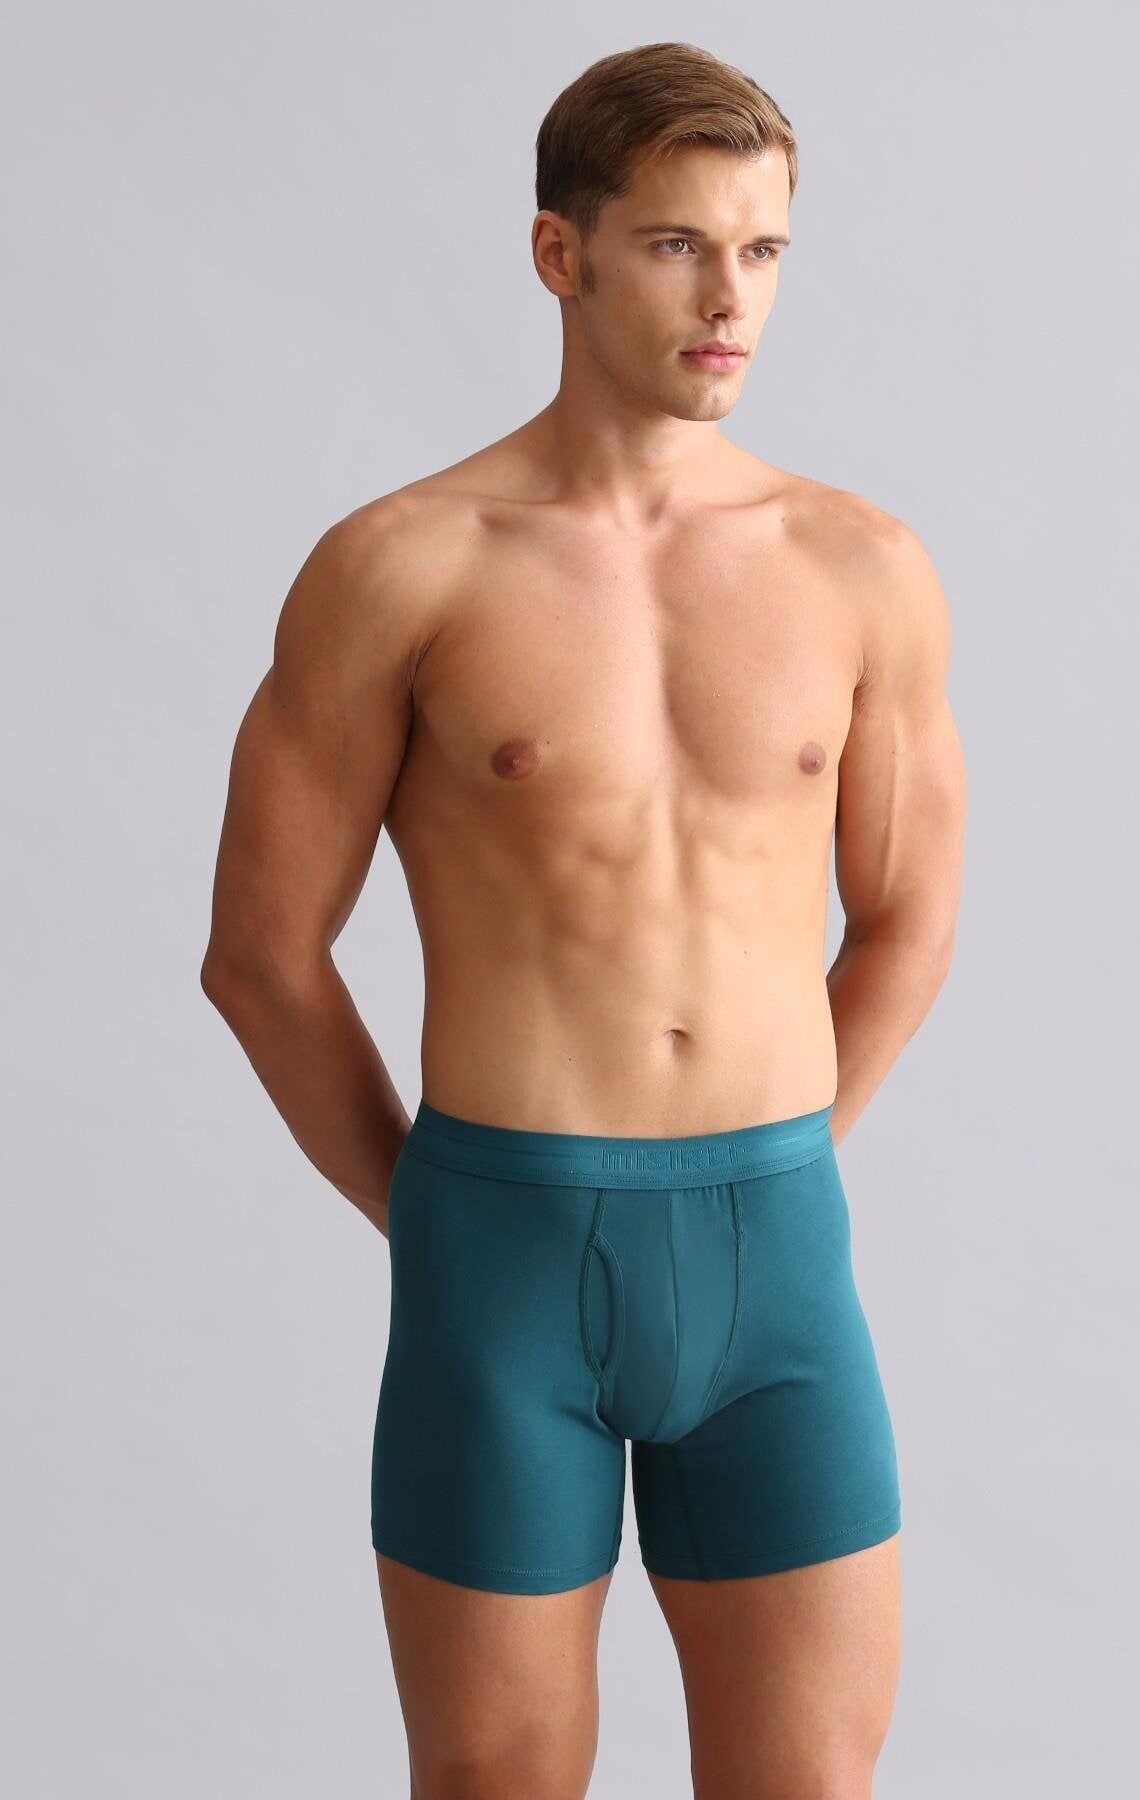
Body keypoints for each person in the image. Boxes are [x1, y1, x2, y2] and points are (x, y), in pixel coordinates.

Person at [200, 38, 966, 1800]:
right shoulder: (405, 563)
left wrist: (777, 1158)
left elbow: (910, 918)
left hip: (779, 1261)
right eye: (678, 245)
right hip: (503, 1259)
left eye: (761, 251)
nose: (730, 299)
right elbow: (259, 951)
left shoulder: (861, 567)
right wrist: (442, 1213)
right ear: (562, 254)